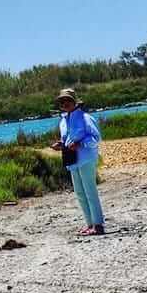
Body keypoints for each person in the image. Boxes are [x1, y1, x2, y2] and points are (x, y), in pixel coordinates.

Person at [51, 88, 105, 236]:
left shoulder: (85, 118)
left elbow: (96, 138)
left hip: (86, 158)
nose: (65, 103)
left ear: (75, 101)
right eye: (62, 101)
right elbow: (67, 138)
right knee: (80, 193)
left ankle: (98, 225)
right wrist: (60, 144)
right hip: (72, 160)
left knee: (90, 191)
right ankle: (90, 224)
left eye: (68, 100)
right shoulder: (63, 120)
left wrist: (80, 144)